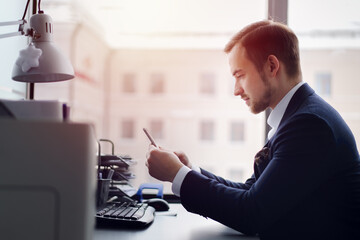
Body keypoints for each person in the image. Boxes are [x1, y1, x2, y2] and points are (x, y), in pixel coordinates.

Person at [145, 20, 360, 239]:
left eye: (240, 75)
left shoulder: (309, 125)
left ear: (272, 66)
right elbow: (251, 190)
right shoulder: (299, 116)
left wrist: (177, 175)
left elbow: (251, 213)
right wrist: (190, 171)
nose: (236, 90)